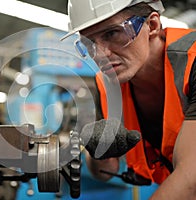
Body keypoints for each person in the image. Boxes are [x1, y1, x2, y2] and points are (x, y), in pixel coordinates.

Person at [62, 0, 196, 199]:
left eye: (112, 34)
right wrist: (98, 150)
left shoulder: (192, 63)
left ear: (152, 25)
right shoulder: (106, 86)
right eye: (89, 43)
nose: (100, 54)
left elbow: (191, 179)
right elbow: (104, 171)